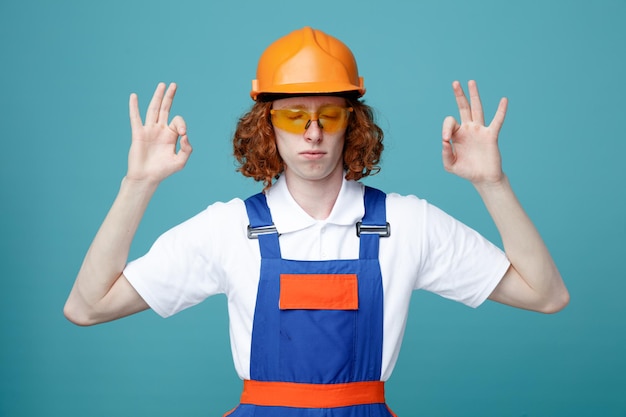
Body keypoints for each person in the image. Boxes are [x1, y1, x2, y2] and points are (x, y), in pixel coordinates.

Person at [64, 26, 569, 416]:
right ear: (268, 126)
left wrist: (491, 185)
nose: (312, 133)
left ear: (353, 122)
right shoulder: (227, 230)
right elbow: (88, 307)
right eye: (292, 116)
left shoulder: (407, 223)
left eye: (329, 114)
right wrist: (138, 185)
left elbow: (546, 295)